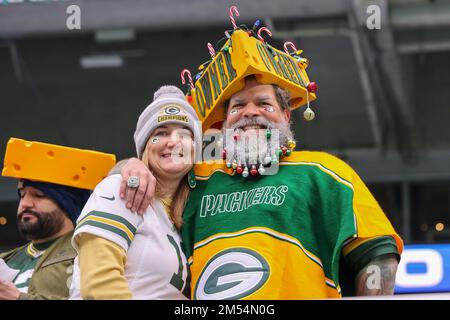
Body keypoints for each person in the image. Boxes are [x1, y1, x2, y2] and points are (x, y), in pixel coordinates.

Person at [118, 17, 403, 299]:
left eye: (264, 104)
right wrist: (131, 166)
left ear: (286, 115)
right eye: (238, 106)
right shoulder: (196, 177)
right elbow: (125, 190)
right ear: (224, 124)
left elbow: (377, 255)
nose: (250, 112)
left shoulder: (323, 171)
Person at [69, 85, 202, 299]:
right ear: (145, 146)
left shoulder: (185, 215)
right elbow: (99, 284)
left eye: (184, 134)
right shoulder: (122, 188)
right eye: (161, 133)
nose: (173, 141)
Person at [0, 138, 115, 300]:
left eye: (38, 195)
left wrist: (18, 298)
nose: (25, 203)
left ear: (67, 203)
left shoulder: (89, 252)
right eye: (22, 195)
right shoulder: (6, 259)